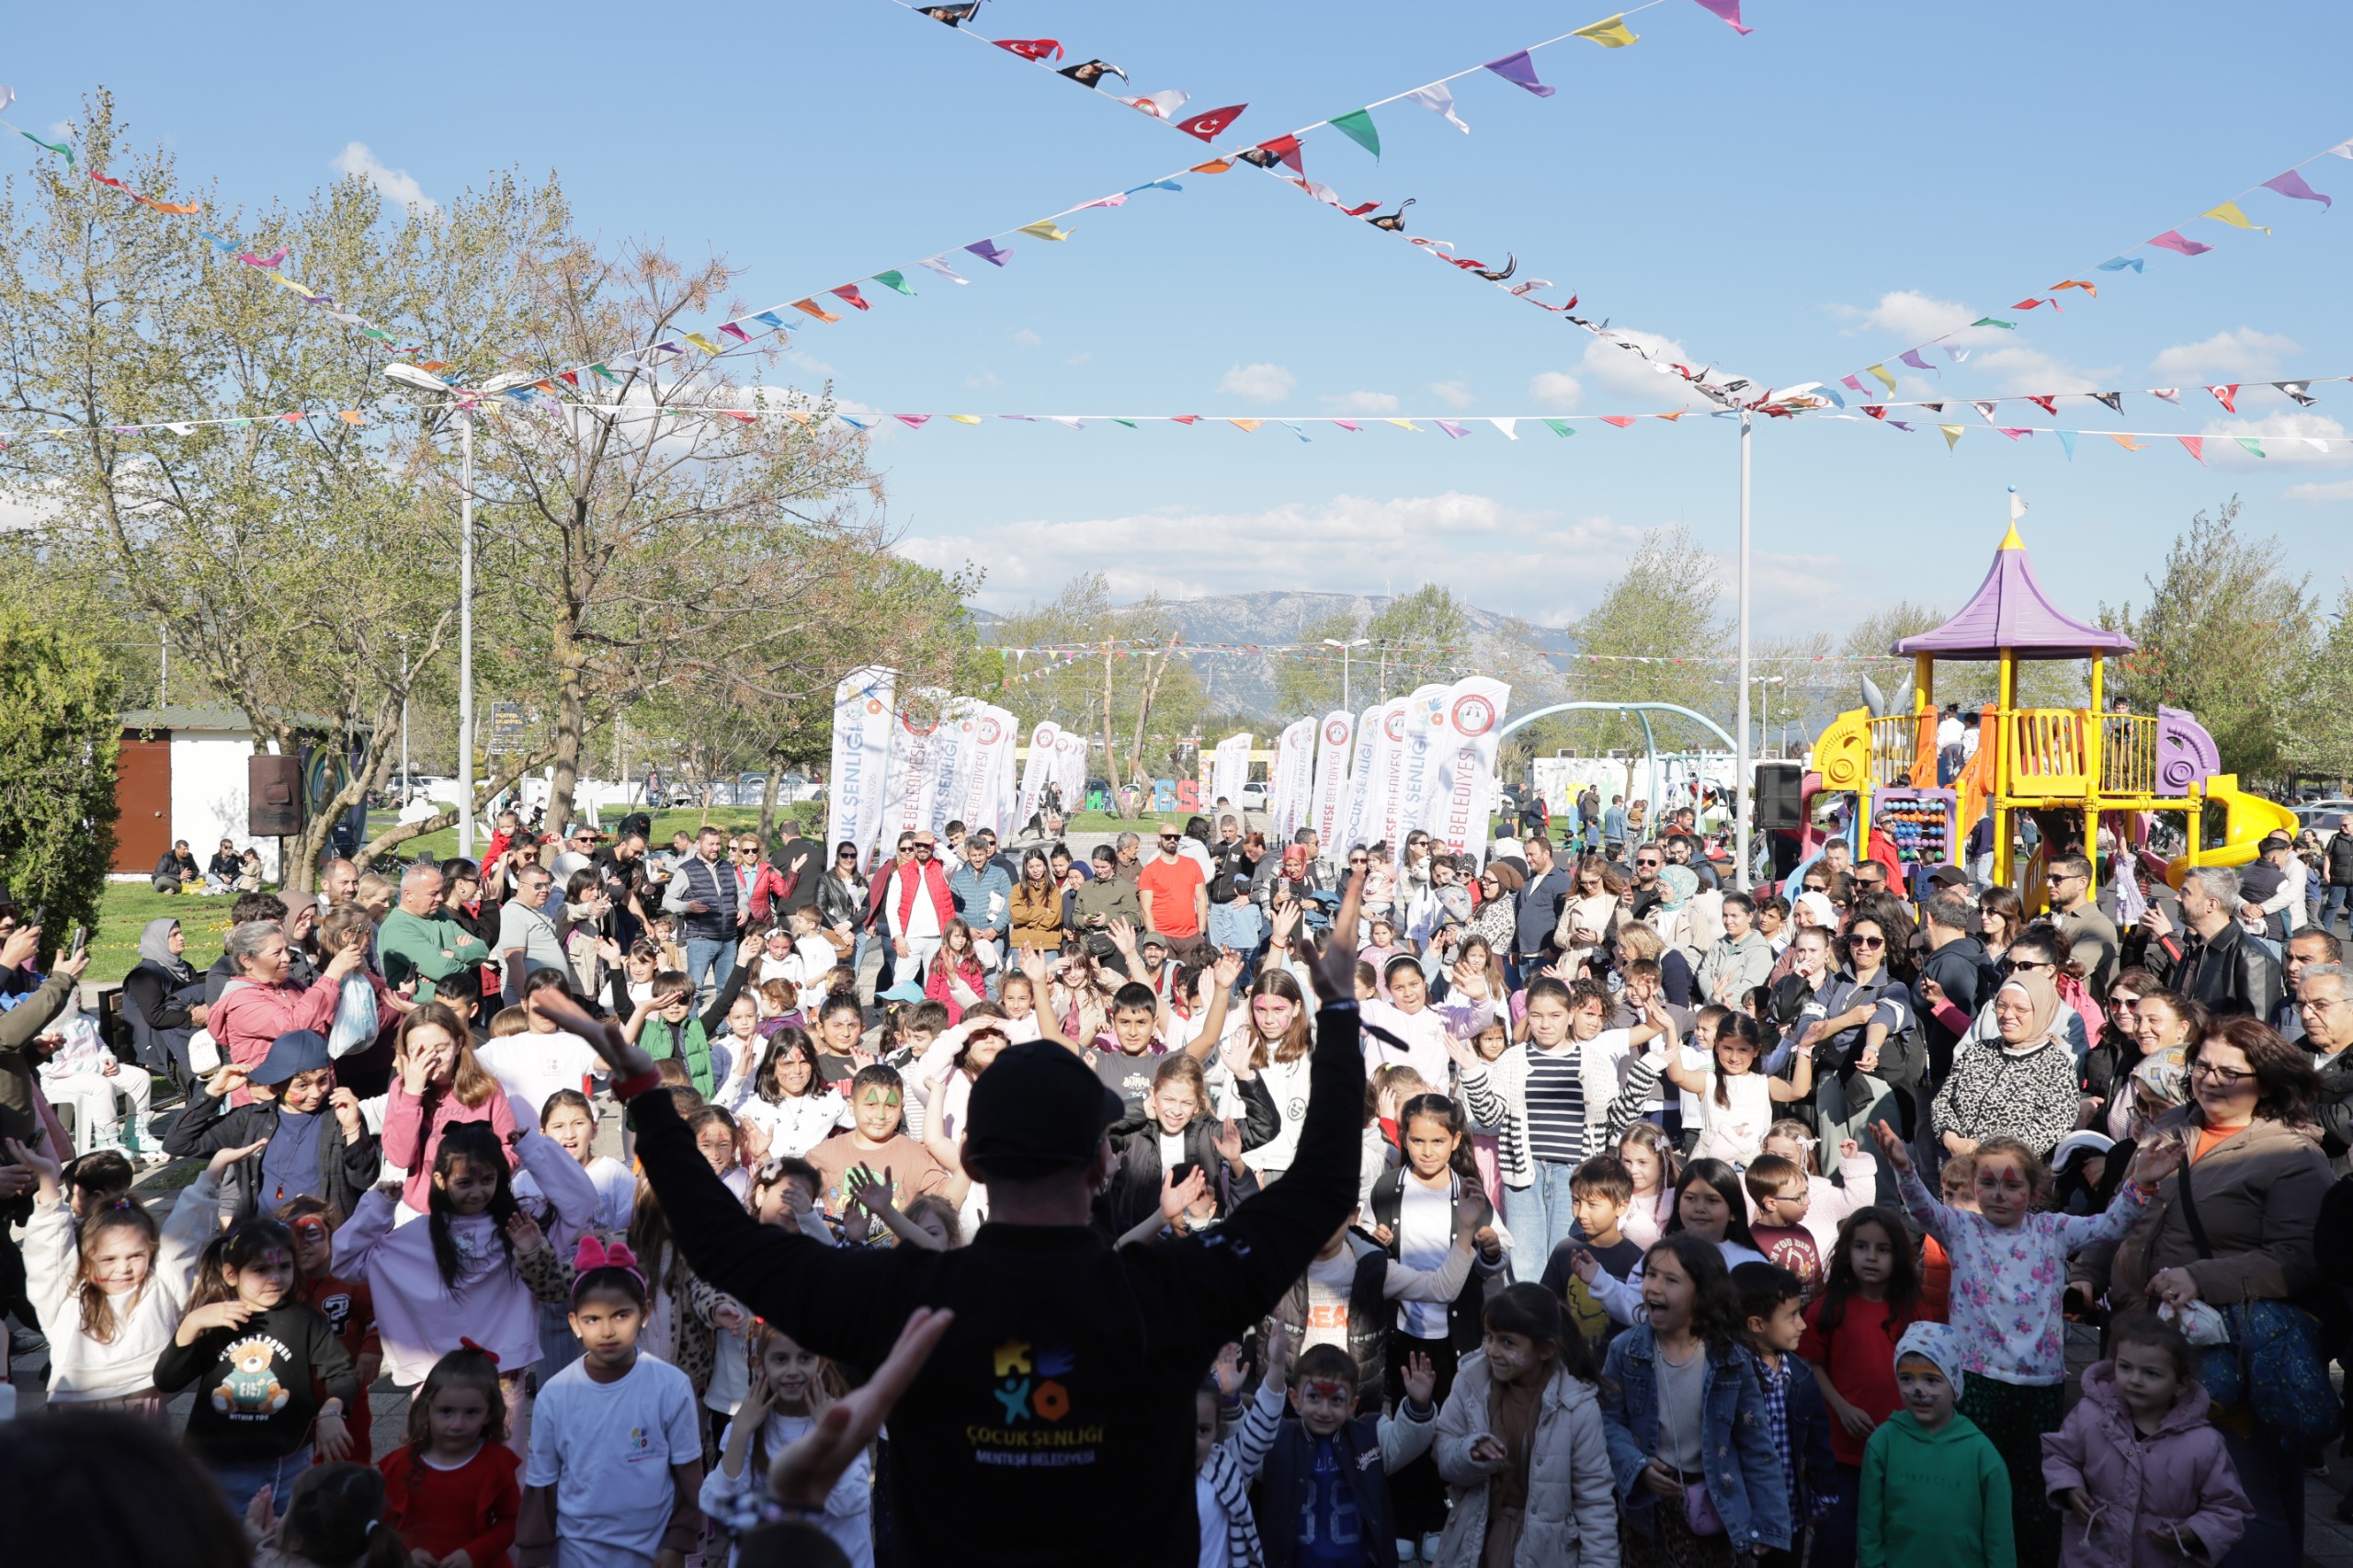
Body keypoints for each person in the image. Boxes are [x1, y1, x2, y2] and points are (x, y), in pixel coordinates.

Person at [528, 870, 1377, 1566]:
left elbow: (722, 1241)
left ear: (969, 1162)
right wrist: (1336, 1006)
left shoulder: (906, 1300)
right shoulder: (1172, 1288)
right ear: (1102, 1162)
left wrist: (645, 1093)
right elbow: (1325, 1182)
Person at [2066, 1016, 2331, 1563]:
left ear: (2267, 1080)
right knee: (2146, 1496)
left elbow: (2298, 1261)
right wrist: (2087, 1274)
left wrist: (2199, 1279)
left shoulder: (2291, 1156)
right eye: (2202, 1066)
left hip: (2223, 1354)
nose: (2210, 1080)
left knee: (2242, 1504)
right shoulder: (2168, 1126)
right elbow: (2123, 1214)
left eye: (2229, 1072)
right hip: (2139, 1338)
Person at [1876, 1118, 2180, 1568]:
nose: (1999, 1194)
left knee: (2031, 1488)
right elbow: (1922, 1208)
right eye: (1988, 1183)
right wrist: (1903, 1167)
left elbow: (2111, 1226)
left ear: (2034, 1193)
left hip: (2040, 1383)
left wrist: (2141, 1182)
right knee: (1972, 1478)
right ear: (1975, 1186)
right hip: (1977, 1378)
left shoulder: (2053, 1230)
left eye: (2012, 1184)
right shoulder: (1962, 1229)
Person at [1598, 1233, 1792, 1564]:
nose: (1654, 1287)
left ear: (1702, 1294)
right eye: (1650, 1275)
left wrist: (1770, 1521)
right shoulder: (1625, 1351)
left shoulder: (1730, 1359)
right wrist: (1636, 1466)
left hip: (1717, 1505)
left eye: (1671, 1279)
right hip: (1650, 1510)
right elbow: (1607, 1421)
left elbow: (1756, 1443)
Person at [517, 1237, 707, 1568]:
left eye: (621, 1315)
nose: (607, 1331)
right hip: (576, 1556)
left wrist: (677, 1545)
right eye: (592, 1319)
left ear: (645, 1313)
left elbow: (689, 1476)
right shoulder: (555, 1394)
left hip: (655, 1554)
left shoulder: (671, 1386)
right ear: (574, 1323)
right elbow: (541, 1488)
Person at [157, 1215, 358, 1517]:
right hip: (218, 1464)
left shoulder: (306, 1320)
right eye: (260, 1270)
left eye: (284, 1267)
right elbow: (168, 1379)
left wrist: (332, 1411)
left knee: (284, 1547)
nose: (275, 1278)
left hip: (287, 1463)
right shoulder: (216, 1320)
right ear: (231, 1274)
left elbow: (342, 1373)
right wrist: (192, 1323)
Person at [11, 1131, 227, 1411]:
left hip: (145, 1408)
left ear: (151, 1252)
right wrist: (48, 1180)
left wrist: (212, 1173)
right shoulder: (66, 1297)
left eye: (135, 1256)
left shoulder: (160, 1284)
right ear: (87, 1260)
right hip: (79, 1413)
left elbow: (183, 1237)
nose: (123, 1267)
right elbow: (47, 1255)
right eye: (109, 1259)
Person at [2039, 1312, 2248, 1568]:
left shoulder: (2204, 1443)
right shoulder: (2090, 1416)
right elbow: (2060, 1454)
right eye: (2125, 1367)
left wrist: (2196, 1532)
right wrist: (2069, 1487)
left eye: (2151, 1373)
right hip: (2091, 1556)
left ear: (2181, 1385)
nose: (2135, 1380)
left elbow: (2228, 1507)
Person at [1427, 1283, 1616, 1568]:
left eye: (1508, 1342)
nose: (1491, 1350)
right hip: (1474, 1544)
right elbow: (1443, 1453)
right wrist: (1470, 1453)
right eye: (1488, 1336)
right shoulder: (1471, 1381)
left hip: (1545, 1552)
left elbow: (1595, 1503)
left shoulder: (1576, 1407)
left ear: (1545, 1349)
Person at [1797, 1206, 1929, 1568]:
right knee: (1835, 1540)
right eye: (1861, 1247)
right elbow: (1811, 1364)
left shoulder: (1913, 1311)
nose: (1871, 1257)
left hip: (1898, 1448)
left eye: (1883, 1249)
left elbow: (1926, 1373)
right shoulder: (1827, 1308)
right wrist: (1841, 1407)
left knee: (1892, 1539)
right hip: (1840, 1450)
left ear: (1898, 1255)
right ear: (1846, 1251)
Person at [158, 1029, 381, 1221]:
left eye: (323, 1080)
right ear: (278, 1084)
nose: (315, 1093)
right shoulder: (252, 1120)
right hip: (265, 1240)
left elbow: (363, 1178)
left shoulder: (338, 1116)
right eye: (302, 1085)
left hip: (325, 1242)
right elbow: (178, 1142)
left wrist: (352, 1129)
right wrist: (214, 1092)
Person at [1857, 1322, 2012, 1568]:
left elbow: (2000, 1536)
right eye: (1906, 1378)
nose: (1918, 1389)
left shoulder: (1982, 1455)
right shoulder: (1882, 1444)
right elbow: (1868, 1526)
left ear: (1955, 1387)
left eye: (1932, 1379)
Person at [379, 1344, 522, 1568]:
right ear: (426, 1410)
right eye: (446, 1411)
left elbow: (511, 1521)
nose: (458, 1424)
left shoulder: (497, 1462)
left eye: (471, 1412)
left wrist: (474, 1554)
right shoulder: (399, 1464)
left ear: (489, 1414)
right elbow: (378, 1524)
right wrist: (404, 1553)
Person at [1733, 1262, 1836, 1568]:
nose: (1802, 1325)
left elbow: (1818, 1442)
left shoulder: (1801, 1376)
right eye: (1791, 1316)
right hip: (1743, 1518)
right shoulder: (1728, 1378)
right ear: (1756, 1324)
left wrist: (1823, 1495)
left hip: (1791, 1516)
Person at [1931, 971, 2083, 1162]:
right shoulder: (1978, 1050)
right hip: (1958, 1170)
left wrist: (1986, 1155)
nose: (2008, 1015)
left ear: (2043, 1011)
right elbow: (1944, 1100)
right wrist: (1951, 1138)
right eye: (2001, 1006)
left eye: (2020, 1009)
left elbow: (2051, 1125)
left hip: (2011, 1177)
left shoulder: (2056, 1065)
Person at [2143, 868, 2280, 1021]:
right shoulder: (2194, 948)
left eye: (2185, 892)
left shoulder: (2253, 958)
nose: (2177, 898)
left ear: (2211, 904)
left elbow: (2258, 1032)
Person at [121, 916, 209, 1089]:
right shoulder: (144, 976)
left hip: (188, 1035)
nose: (181, 938)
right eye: (174, 935)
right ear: (158, 941)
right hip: (160, 1046)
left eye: (180, 933)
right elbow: (155, 1017)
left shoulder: (184, 967)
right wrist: (193, 1017)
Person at [1139, 822, 1211, 960]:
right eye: (1168, 837)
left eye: (1176, 837)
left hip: (1191, 936)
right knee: (1164, 980)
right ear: (1159, 838)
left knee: (1190, 980)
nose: (1172, 840)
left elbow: (1201, 898)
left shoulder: (1192, 865)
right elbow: (1145, 908)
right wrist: (1154, 938)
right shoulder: (1150, 870)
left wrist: (1201, 932)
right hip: (1163, 936)